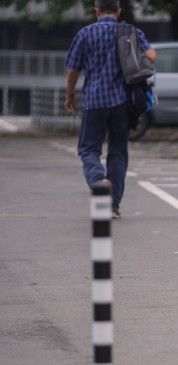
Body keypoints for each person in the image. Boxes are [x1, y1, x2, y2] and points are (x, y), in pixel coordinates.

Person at [64, 0, 156, 219]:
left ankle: (98, 180)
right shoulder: (130, 31)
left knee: (88, 149)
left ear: (96, 11)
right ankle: (113, 206)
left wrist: (70, 96)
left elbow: (73, 69)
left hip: (94, 101)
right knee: (118, 152)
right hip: (121, 102)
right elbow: (152, 57)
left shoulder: (85, 34)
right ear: (119, 11)